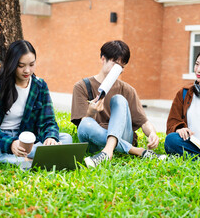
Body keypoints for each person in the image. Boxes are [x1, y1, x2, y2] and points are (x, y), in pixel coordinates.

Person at [0, 40, 72, 165]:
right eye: (21, 66)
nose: (27, 71)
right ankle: (25, 159)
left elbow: (48, 120)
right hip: (0, 138)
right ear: (12, 64)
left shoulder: (40, 86)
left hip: (28, 140)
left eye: (31, 64)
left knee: (65, 138)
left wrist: (51, 137)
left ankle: (18, 158)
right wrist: (10, 143)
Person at [71, 40, 166, 168]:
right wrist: (91, 111)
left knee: (118, 99)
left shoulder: (127, 90)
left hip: (123, 135)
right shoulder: (82, 86)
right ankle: (137, 151)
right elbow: (84, 125)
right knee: (84, 125)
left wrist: (152, 134)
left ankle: (107, 152)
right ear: (103, 59)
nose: (118, 70)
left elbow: (143, 121)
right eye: (115, 64)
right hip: (95, 138)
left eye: (121, 67)